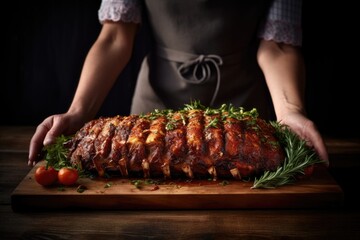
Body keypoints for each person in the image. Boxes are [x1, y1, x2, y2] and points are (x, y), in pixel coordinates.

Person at [28, 0, 329, 167]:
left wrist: (290, 113)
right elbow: (115, 36)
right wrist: (78, 112)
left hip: (242, 117)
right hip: (148, 120)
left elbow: (278, 46)